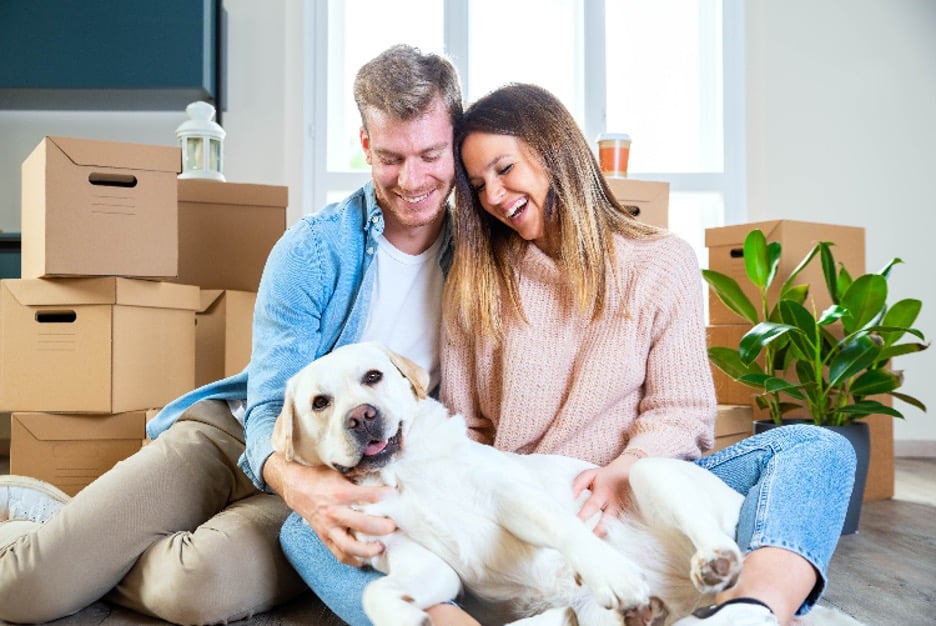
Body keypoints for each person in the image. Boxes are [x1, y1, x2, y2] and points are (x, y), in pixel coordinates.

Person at [284, 83, 856, 626]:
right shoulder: (479, 282)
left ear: (554, 149)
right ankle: (450, 618)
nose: (496, 197)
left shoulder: (662, 261)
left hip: (638, 488)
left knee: (816, 446)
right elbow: (473, 431)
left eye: (504, 170)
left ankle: (751, 607)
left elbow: (680, 410)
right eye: (478, 186)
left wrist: (621, 472)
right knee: (302, 531)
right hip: (522, 505)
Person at [0, 44, 463, 625]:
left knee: (192, 589)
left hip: (344, 468)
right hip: (238, 436)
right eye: (392, 158)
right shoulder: (313, 251)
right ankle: (49, 529)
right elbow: (270, 406)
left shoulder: (480, 263)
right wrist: (300, 489)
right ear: (366, 146)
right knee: (26, 591)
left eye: (430, 154)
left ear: (455, 144)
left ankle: (86, 544)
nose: (413, 179)